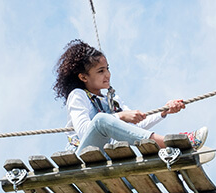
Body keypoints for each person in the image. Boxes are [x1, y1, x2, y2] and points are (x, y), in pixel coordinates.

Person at [53, 39, 207, 154]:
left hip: (107, 160)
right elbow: (85, 131)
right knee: (101, 121)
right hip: (84, 158)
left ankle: (182, 156)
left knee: (144, 159)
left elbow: (135, 127)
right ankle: (172, 144)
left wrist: (164, 111)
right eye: (100, 71)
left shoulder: (111, 100)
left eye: (107, 69)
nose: (107, 75)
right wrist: (120, 116)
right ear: (83, 77)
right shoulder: (78, 96)